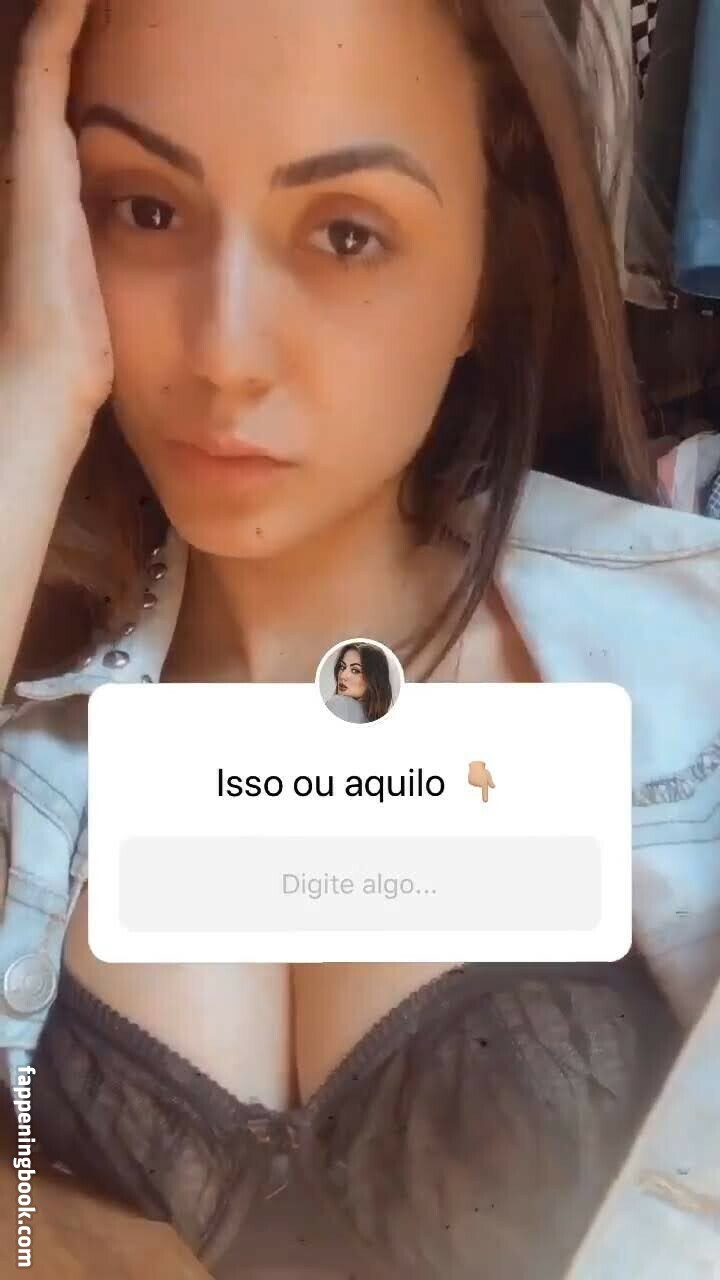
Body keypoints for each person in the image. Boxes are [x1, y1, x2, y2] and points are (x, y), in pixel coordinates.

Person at [0, 1, 719, 1276]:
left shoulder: (686, 667)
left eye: (346, 233)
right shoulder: (23, 669)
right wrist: (33, 389)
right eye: (145, 210)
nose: (225, 354)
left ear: (489, 272)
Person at [324, 642, 393, 724]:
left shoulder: (339, 703)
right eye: (342, 667)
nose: (342, 676)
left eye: (355, 670)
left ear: (373, 679)